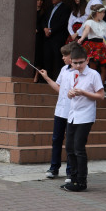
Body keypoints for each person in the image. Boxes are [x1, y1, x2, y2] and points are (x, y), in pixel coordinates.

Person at [61, 47, 104, 192]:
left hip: (86, 115)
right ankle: (72, 178)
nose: (78, 66)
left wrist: (84, 92)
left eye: (80, 62)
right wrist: (70, 93)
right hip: (72, 114)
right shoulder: (71, 74)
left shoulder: (93, 75)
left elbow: (101, 96)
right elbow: (67, 93)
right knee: (69, 147)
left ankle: (81, 181)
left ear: (87, 60)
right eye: (74, 63)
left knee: (79, 148)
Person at [37, 42, 79, 181]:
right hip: (60, 110)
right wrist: (47, 78)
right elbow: (59, 88)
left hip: (73, 111)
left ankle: (70, 171)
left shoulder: (79, 71)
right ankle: (54, 168)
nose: (62, 58)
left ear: (72, 56)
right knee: (56, 139)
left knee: (70, 142)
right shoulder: (64, 70)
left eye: (64, 55)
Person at [76, 4, 106, 86]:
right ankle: (90, 86)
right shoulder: (89, 22)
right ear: (97, 13)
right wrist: (82, 38)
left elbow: (105, 35)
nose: (104, 14)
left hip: (102, 45)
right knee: (93, 67)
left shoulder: (103, 23)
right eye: (102, 13)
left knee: (104, 68)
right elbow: (86, 30)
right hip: (93, 46)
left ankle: (100, 87)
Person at [42, 0, 71, 78]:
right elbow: (44, 19)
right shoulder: (49, 8)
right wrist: (45, 28)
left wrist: (52, 30)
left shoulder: (65, 8)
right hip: (47, 37)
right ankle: (47, 78)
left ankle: (57, 78)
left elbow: (63, 22)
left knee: (58, 57)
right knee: (47, 57)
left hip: (58, 37)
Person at [33, 0, 48, 74]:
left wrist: (38, 29)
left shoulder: (44, 12)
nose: (39, 2)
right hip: (29, 36)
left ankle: (36, 75)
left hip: (39, 36)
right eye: (38, 0)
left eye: (41, 0)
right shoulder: (30, 11)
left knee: (38, 55)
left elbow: (43, 23)